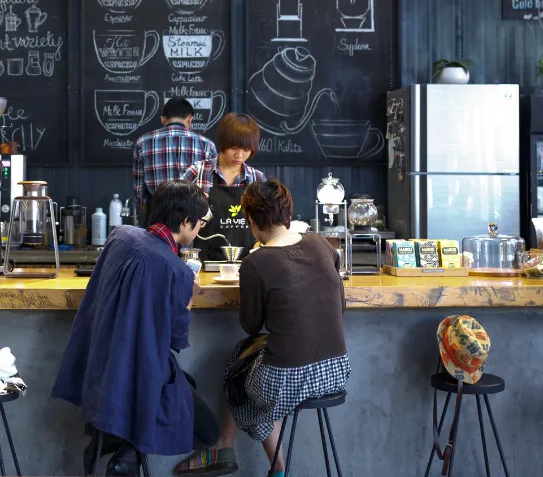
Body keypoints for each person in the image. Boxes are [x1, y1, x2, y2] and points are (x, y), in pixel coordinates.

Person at [175, 179, 349, 477]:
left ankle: (256, 461)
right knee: (249, 363)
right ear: (288, 213)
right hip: (338, 370)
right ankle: (238, 453)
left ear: (252, 221)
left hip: (288, 382)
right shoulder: (321, 243)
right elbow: (340, 306)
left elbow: (251, 326)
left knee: (240, 376)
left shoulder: (257, 262)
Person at [53, 180, 221, 476]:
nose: (199, 231)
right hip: (141, 374)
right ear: (184, 221)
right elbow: (177, 340)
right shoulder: (177, 272)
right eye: (199, 223)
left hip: (99, 367)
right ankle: (126, 453)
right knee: (209, 432)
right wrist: (188, 300)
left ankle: (113, 443)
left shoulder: (120, 236)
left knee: (184, 384)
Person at [182, 113, 266, 263]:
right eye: (234, 148)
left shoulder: (257, 179)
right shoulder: (197, 172)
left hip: (247, 263)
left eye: (246, 150)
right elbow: (173, 210)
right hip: (202, 262)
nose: (239, 155)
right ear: (223, 143)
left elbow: (266, 223)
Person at [132, 98, 217, 219]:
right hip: (193, 215)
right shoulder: (207, 145)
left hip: (157, 213)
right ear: (190, 119)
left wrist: (153, 212)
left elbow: (140, 193)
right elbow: (211, 188)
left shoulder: (142, 143)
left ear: (163, 119)